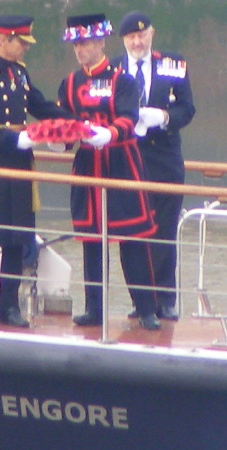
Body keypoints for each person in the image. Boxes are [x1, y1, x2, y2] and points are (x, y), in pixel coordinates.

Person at [0, 15, 73, 328]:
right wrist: (13, 138)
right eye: (21, 42)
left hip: (19, 164)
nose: (25, 48)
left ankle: (9, 306)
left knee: (15, 239)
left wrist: (74, 122)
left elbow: (39, 105)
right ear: (4, 39)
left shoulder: (20, 73)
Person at [57, 14, 160, 330]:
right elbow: (62, 119)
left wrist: (110, 133)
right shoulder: (71, 83)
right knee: (92, 241)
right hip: (88, 168)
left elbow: (129, 119)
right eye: (76, 44)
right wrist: (58, 141)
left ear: (101, 42)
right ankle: (95, 309)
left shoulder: (122, 81)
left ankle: (146, 309)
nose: (80, 50)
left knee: (133, 240)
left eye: (85, 43)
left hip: (121, 165)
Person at [111, 11, 195, 321]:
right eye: (131, 36)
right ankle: (140, 300)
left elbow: (188, 108)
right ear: (123, 40)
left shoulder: (172, 64)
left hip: (165, 159)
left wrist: (164, 117)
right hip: (127, 160)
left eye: (142, 35)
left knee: (164, 231)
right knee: (132, 233)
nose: (137, 40)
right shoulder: (113, 69)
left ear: (152, 35)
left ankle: (165, 299)